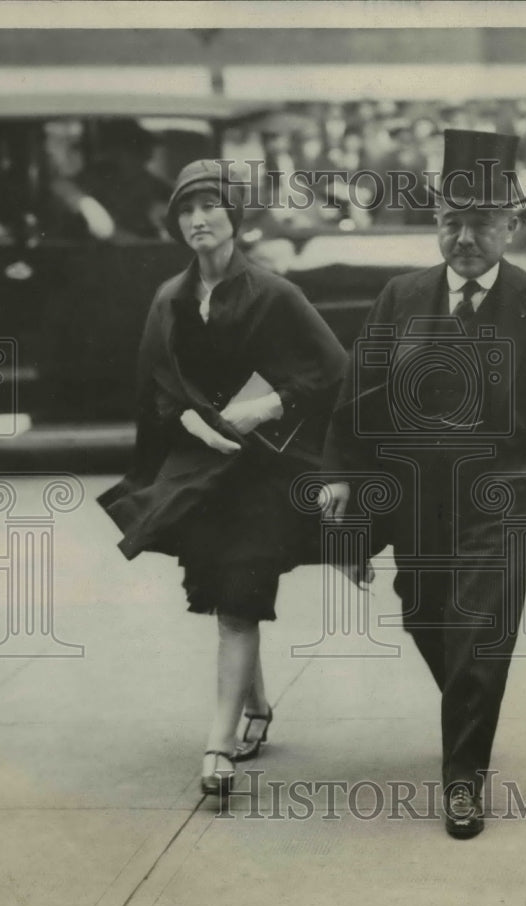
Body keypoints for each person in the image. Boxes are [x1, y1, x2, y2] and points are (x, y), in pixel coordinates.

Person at [321, 130, 526, 839]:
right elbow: (358, 393)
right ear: (435, 223)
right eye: (451, 221)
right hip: (416, 493)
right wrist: (343, 480)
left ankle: (463, 777)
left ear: (510, 225)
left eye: (481, 222)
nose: (464, 237)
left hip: (501, 491)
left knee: (478, 626)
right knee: (422, 609)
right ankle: (471, 710)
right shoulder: (399, 297)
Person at [98, 160, 347, 796]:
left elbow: (333, 370)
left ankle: (216, 746)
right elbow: (154, 381)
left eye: (210, 206)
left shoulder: (274, 294)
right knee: (227, 599)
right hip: (202, 470)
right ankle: (256, 710)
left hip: (264, 472)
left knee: (237, 602)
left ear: (235, 217)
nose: (197, 219)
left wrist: (270, 404)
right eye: (185, 209)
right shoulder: (169, 297)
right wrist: (187, 415)